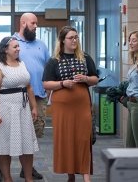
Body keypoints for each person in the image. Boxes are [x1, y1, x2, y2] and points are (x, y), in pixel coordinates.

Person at [0, 12, 50, 181]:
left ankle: (27, 170)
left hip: (36, 96)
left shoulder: (41, 44)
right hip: (10, 101)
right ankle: (0, 169)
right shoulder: (12, 42)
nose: (36, 26)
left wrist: (48, 92)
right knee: (6, 137)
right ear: (23, 23)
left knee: (31, 136)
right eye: (33, 23)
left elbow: (47, 67)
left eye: (36, 23)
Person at [42, 26, 99, 182]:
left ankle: (86, 175)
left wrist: (86, 79)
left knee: (83, 138)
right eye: (71, 38)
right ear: (62, 41)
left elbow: (95, 78)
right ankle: (71, 175)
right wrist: (62, 83)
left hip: (82, 104)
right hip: (62, 107)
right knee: (67, 139)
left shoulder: (85, 57)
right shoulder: (54, 61)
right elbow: (46, 84)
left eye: (76, 37)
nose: (74, 40)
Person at [0, 36, 39, 182]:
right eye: (15, 47)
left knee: (27, 144)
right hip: (5, 110)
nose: (18, 49)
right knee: (4, 146)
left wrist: (34, 106)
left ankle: (29, 178)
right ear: (5, 50)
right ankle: (8, 179)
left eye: (18, 46)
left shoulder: (21, 64)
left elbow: (29, 87)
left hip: (23, 109)